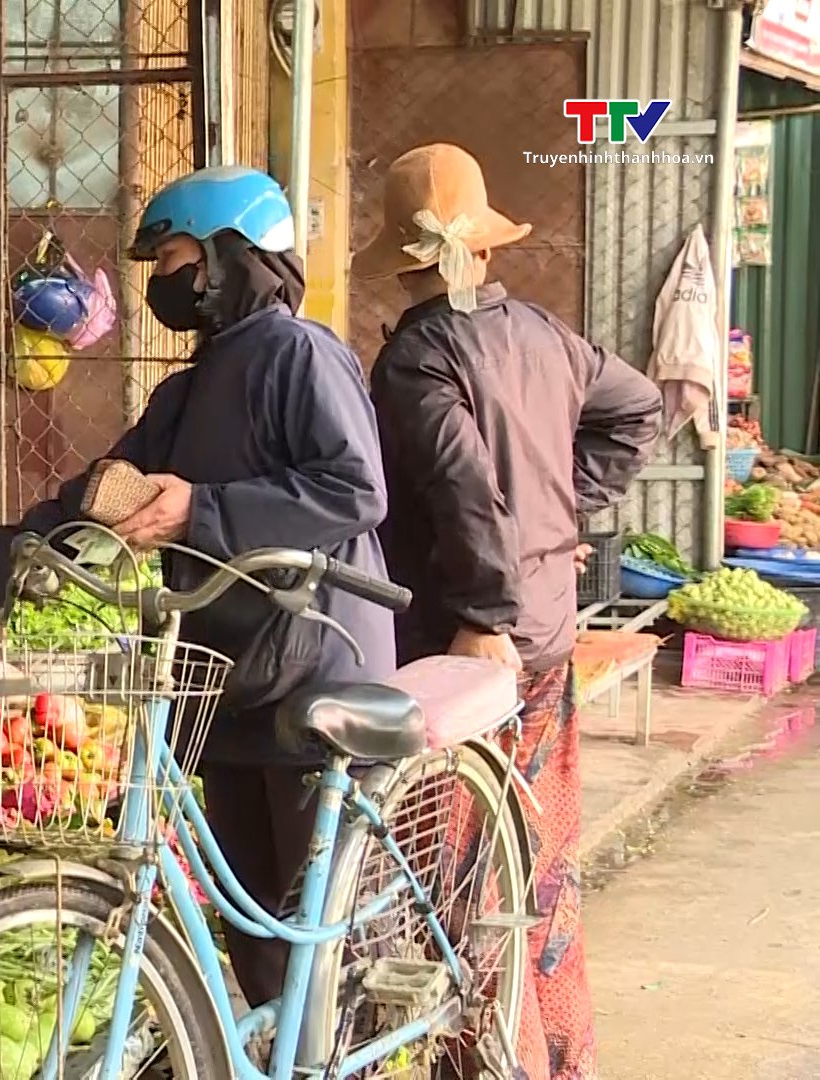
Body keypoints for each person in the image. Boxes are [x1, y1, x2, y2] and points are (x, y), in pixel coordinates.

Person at [0, 165, 396, 1010]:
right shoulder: (185, 394)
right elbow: (87, 506)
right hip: (224, 680)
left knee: (326, 937)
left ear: (232, 257)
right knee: (258, 936)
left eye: (173, 259)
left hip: (317, 675)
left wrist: (205, 509)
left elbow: (354, 489)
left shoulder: (302, 355)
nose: (162, 280)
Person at [357, 143, 663, 1080]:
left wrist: (485, 612)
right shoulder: (544, 334)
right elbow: (639, 409)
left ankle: (498, 1065)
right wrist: (558, 507)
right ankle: (559, 1056)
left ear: (407, 259)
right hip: (545, 639)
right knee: (539, 860)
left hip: (469, 649)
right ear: (481, 249)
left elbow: (459, 489)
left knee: (461, 876)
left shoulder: (417, 358)